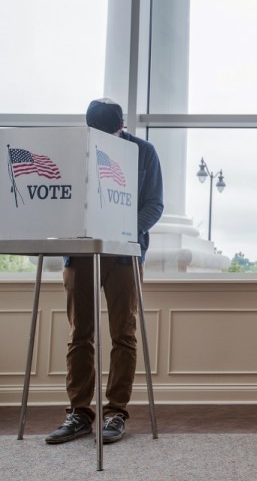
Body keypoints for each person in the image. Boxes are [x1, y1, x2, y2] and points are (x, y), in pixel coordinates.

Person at [45, 98, 164, 445]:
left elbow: (154, 204)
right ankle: (80, 413)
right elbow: (62, 198)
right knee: (80, 334)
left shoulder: (144, 152)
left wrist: (125, 233)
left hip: (125, 255)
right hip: (80, 252)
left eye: (111, 134)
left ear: (122, 128)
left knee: (123, 334)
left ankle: (116, 413)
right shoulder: (75, 150)